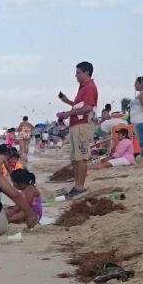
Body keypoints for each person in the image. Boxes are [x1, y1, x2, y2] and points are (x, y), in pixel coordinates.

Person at [55, 60, 99, 199]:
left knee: (81, 157)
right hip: (76, 125)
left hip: (82, 125)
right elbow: (79, 105)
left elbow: (88, 107)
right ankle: (77, 186)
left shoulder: (89, 87)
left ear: (86, 72)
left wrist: (68, 114)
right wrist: (67, 102)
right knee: (75, 158)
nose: (76, 76)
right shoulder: (83, 87)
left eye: (78, 73)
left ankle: (80, 187)